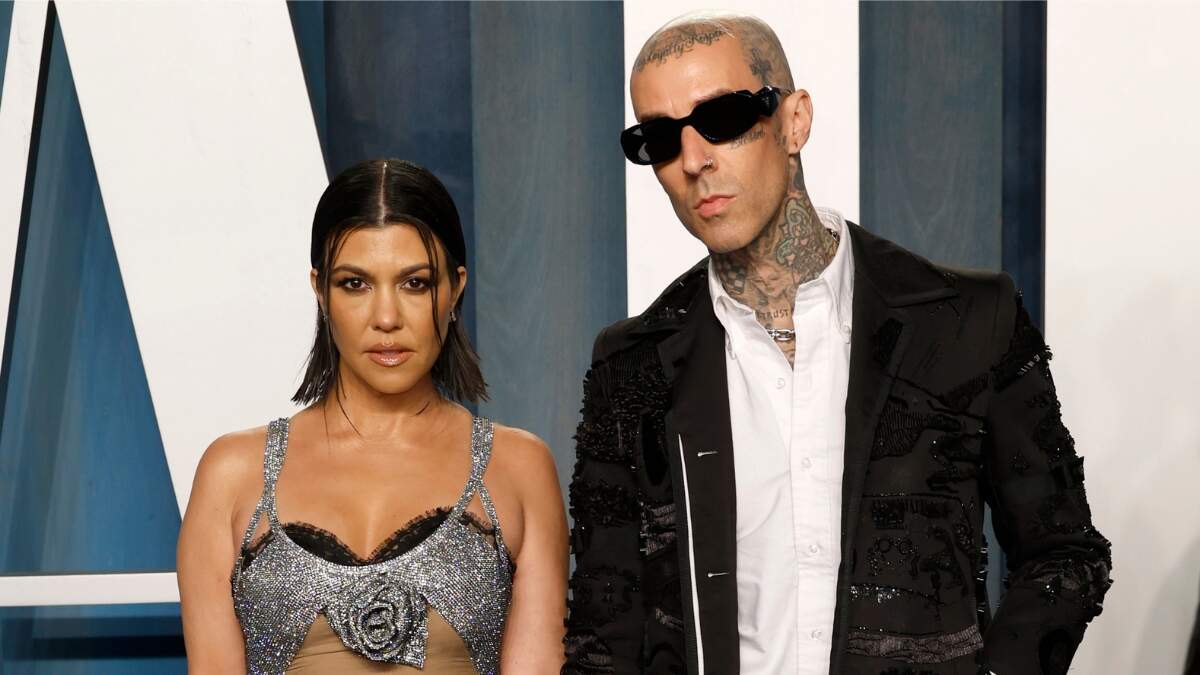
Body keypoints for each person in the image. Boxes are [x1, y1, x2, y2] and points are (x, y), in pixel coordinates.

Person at [563, 12, 1111, 675]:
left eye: (723, 118)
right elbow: (605, 634)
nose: (694, 159)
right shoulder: (632, 364)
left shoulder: (964, 320)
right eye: (659, 138)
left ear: (794, 121)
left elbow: (1065, 553)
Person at [177, 159, 567, 674]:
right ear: (320, 290)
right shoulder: (232, 474)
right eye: (355, 284)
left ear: (455, 289)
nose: (386, 318)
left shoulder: (518, 468)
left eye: (415, 283)